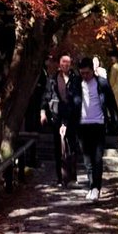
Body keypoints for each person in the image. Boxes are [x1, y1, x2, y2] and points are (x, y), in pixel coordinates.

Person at [77, 55, 117, 201]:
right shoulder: (77, 84)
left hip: (98, 124)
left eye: (87, 72)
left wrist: (114, 120)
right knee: (87, 160)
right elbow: (72, 103)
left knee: (97, 158)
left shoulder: (102, 83)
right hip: (82, 125)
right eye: (82, 73)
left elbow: (111, 103)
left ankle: (96, 188)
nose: (85, 76)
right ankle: (91, 185)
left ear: (92, 71)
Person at [40, 52, 80, 186]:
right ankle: (60, 178)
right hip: (56, 116)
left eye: (68, 62)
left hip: (72, 117)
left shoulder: (75, 79)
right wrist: (43, 112)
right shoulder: (52, 79)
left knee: (72, 147)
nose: (65, 65)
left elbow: (78, 99)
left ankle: (72, 177)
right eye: (63, 62)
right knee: (58, 147)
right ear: (59, 64)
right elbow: (46, 96)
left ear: (71, 64)